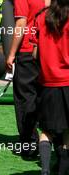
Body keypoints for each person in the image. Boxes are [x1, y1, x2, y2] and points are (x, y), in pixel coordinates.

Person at [31, 0, 69, 174]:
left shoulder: (41, 17)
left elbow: (34, 53)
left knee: (46, 130)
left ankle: (45, 171)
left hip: (47, 82)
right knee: (67, 131)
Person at [6, 0, 46, 157]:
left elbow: (21, 25)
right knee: (42, 95)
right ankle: (48, 140)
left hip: (28, 50)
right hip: (47, 49)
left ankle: (29, 143)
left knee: (24, 97)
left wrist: (11, 53)